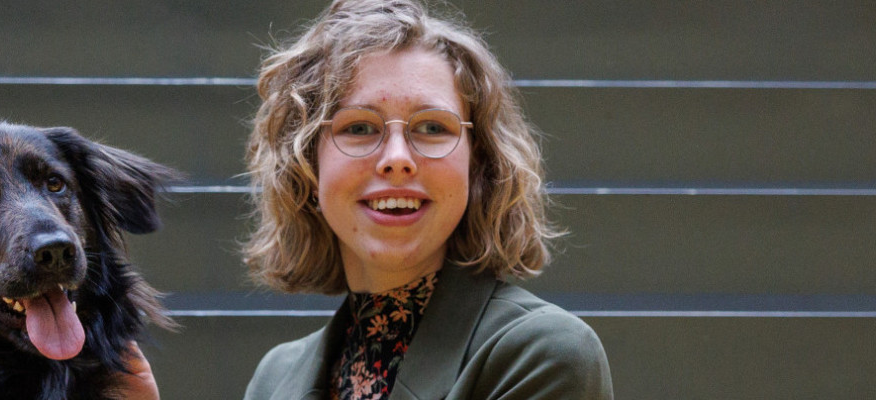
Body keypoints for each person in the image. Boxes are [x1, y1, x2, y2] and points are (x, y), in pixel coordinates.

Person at [237, 0, 614, 399]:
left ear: (478, 164)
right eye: (360, 127)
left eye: (432, 127)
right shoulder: (274, 379)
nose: (397, 159)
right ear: (305, 165)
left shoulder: (544, 354)